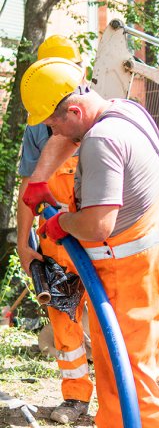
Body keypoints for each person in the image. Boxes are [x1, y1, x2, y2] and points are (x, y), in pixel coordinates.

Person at [20, 57, 159, 428]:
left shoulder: (102, 141)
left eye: (51, 121)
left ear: (74, 109)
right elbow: (67, 136)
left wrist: (62, 223)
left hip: (131, 275)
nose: (48, 130)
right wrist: (40, 178)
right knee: (114, 377)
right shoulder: (124, 111)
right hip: (146, 263)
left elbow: (97, 225)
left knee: (133, 381)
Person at [16, 35, 92, 424]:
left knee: (111, 322)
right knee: (64, 321)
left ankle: (123, 400)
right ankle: (76, 398)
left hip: (97, 236)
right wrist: (24, 242)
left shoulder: (96, 115)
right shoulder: (37, 128)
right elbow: (29, 186)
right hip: (56, 237)